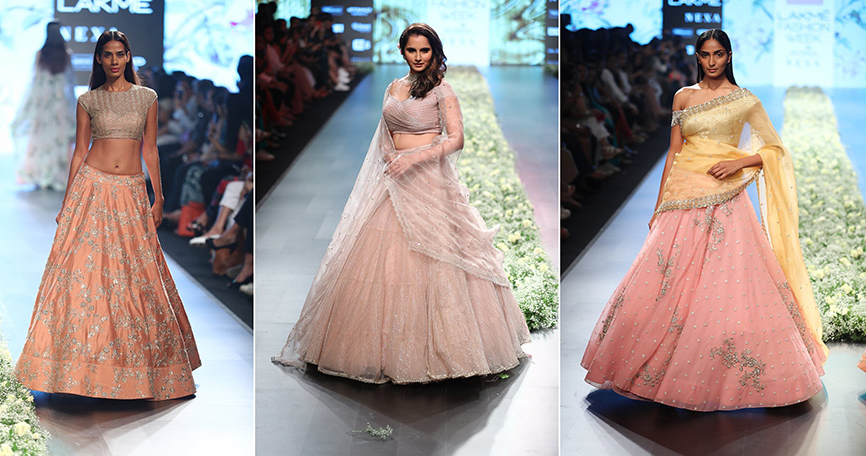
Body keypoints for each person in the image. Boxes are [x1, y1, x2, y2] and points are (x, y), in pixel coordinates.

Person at [580, 29, 828, 411]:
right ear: (697, 57)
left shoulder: (745, 100)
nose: (712, 61)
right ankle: (655, 373)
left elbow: (775, 149)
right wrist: (659, 205)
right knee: (667, 282)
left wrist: (738, 162)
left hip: (725, 198)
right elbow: (674, 152)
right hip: (682, 197)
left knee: (725, 287)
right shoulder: (683, 96)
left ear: (729, 56)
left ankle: (716, 378)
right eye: (705, 55)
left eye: (718, 54)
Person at [272, 23, 531, 384]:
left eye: (425, 50)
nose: (419, 57)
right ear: (402, 51)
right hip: (392, 179)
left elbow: (456, 139)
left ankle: (443, 351)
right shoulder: (394, 87)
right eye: (412, 50)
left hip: (428, 182)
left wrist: (414, 160)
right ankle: (376, 350)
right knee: (381, 261)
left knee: (437, 260)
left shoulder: (443, 90)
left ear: (435, 52)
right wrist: (391, 161)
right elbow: (385, 133)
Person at [14, 31, 201, 400]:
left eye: (120, 54)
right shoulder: (88, 100)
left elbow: (150, 149)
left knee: (136, 276)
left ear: (128, 57)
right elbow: (79, 152)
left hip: (131, 191)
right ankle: (74, 368)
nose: (114, 61)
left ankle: (136, 369)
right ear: (99, 59)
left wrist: (159, 197)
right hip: (92, 188)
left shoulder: (147, 98)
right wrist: (67, 202)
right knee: (83, 275)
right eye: (107, 55)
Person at [11, 21, 76, 191]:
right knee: (58, 141)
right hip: (61, 105)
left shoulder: (41, 54)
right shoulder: (65, 55)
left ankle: (41, 177)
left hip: (43, 104)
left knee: (42, 140)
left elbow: (35, 80)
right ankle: (56, 177)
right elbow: (70, 82)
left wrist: (29, 105)